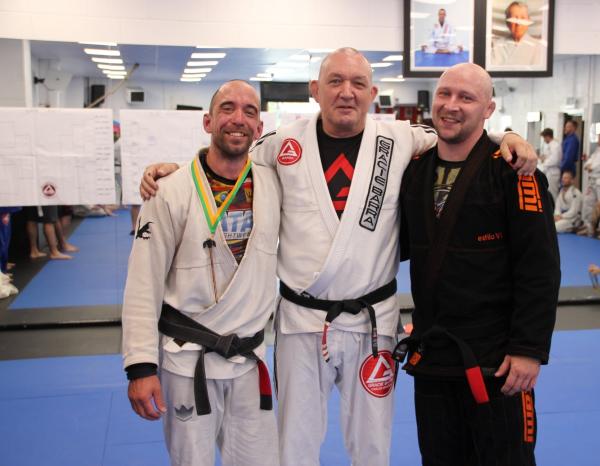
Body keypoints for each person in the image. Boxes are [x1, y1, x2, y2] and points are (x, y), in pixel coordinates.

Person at [141, 48, 538, 466]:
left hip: (372, 322)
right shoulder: (281, 144)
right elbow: (225, 159)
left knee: (372, 446)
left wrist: (508, 137)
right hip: (301, 321)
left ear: (373, 93)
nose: (346, 92)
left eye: (358, 83)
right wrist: (177, 171)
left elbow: (459, 133)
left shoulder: (400, 138)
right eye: (335, 82)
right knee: (294, 444)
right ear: (315, 90)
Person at [398, 63, 560, 465]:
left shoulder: (513, 172)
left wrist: (528, 349)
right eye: (444, 94)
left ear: (488, 109)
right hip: (433, 355)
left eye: (466, 97)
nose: (451, 105)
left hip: (497, 361)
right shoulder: (415, 169)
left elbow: (540, 268)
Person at [121, 80, 280, 466]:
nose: (238, 119)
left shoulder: (276, 186)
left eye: (249, 111)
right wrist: (140, 366)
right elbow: (142, 282)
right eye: (227, 108)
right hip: (187, 359)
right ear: (208, 121)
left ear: (259, 128)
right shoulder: (169, 191)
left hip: (249, 359)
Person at [490, 1, 547, 67]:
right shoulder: (496, 45)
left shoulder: (539, 47)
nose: (518, 23)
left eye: (523, 18)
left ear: (528, 21)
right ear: (507, 22)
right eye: (514, 18)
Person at [538, 127, 561, 199]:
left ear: (548, 136)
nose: (544, 140)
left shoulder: (555, 145)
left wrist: (544, 162)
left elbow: (554, 159)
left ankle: (553, 206)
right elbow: (547, 157)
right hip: (548, 172)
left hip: (553, 172)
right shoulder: (550, 145)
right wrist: (543, 158)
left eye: (544, 137)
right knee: (548, 192)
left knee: (553, 193)